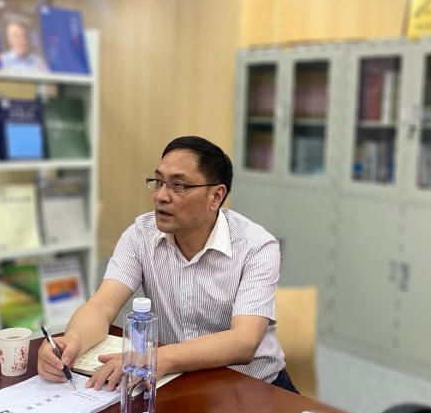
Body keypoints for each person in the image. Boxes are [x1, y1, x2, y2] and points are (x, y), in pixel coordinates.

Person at [38, 136, 299, 394]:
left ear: (216, 196)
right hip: (177, 383)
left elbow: (244, 341)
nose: (161, 196)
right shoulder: (140, 234)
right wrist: (72, 341)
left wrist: (157, 358)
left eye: (178, 185)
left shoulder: (256, 246)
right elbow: (102, 305)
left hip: (252, 388)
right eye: (159, 182)